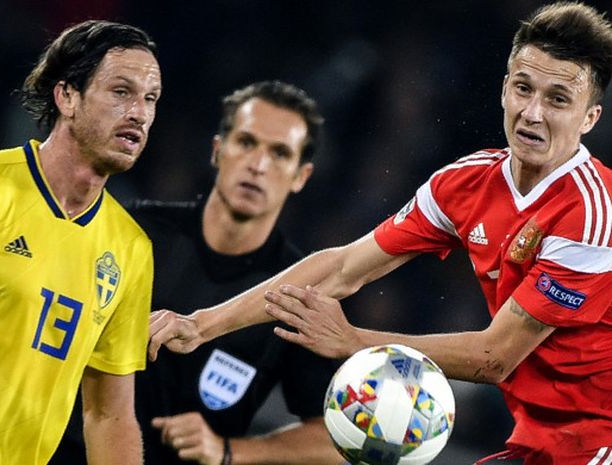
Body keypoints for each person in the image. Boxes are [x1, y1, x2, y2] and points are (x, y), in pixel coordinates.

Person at [147, 3, 612, 464]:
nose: (532, 113)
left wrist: (353, 341)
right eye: (523, 88)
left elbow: (496, 356)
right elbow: (344, 266)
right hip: (540, 438)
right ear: (503, 89)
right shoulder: (465, 182)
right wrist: (201, 323)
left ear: (589, 118)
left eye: (557, 99)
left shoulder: (591, 212)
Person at [51, 81, 342, 465]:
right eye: (246, 142)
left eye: (280, 153)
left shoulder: (298, 294)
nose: (258, 164)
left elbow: (336, 439)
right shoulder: (132, 230)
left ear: (301, 176)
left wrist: (228, 451)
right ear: (218, 150)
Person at [0, 20, 161, 465]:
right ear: (67, 96)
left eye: (150, 98)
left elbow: (110, 415)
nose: (139, 112)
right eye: (121, 92)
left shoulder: (131, 249)